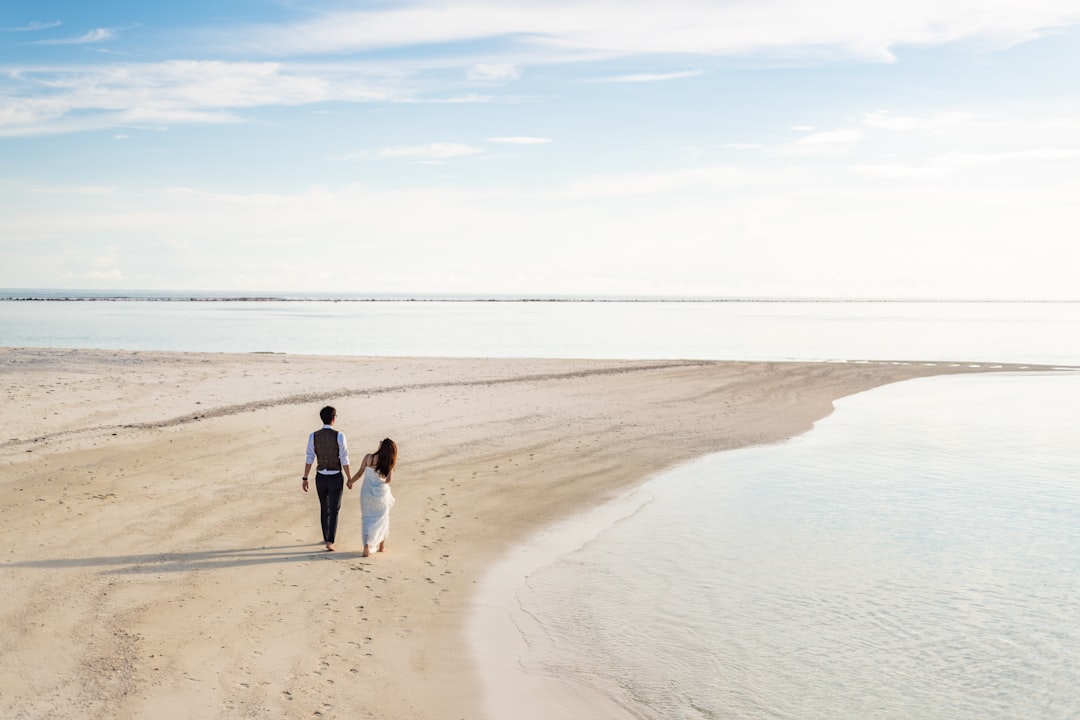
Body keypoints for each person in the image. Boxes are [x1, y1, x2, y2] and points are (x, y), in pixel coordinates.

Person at [303, 406, 351, 551]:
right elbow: (344, 458)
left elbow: (310, 457)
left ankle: (325, 537)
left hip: (320, 477)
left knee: (324, 507)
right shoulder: (340, 436)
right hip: (335, 476)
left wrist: (305, 477)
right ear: (333, 418)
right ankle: (330, 541)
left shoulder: (313, 435)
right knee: (334, 509)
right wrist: (349, 478)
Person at [348, 438, 397, 558]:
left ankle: (366, 546)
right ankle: (381, 546)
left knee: (367, 518)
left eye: (381, 442)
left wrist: (350, 481)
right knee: (382, 518)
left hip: (366, 493)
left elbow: (360, 473)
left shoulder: (368, 457)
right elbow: (389, 480)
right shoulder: (388, 462)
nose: (379, 442)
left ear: (382, 447)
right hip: (380, 494)